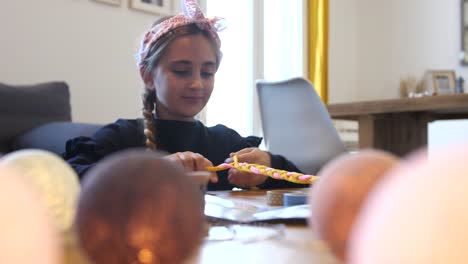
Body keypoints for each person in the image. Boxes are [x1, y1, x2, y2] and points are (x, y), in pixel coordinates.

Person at [64, 0, 304, 191]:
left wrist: (269, 167)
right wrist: (153, 170)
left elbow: (303, 181)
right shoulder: (121, 138)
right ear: (148, 76)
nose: (197, 83)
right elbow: (64, 178)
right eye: (181, 71)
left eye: (207, 72)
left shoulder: (225, 144)